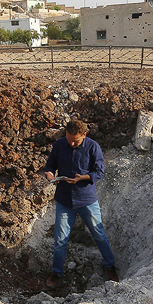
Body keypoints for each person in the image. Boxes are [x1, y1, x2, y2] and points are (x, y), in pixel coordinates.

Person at [44, 120, 118, 289]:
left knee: (99, 234)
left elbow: (99, 172)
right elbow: (50, 165)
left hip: (86, 200)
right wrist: (49, 174)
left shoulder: (93, 147)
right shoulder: (59, 145)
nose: (71, 143)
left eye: (75, 140)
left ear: (84, 135)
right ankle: (57, 273)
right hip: (64, 200)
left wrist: (82, 178)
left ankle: (110, 266)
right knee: (60, 240)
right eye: (69, 139)